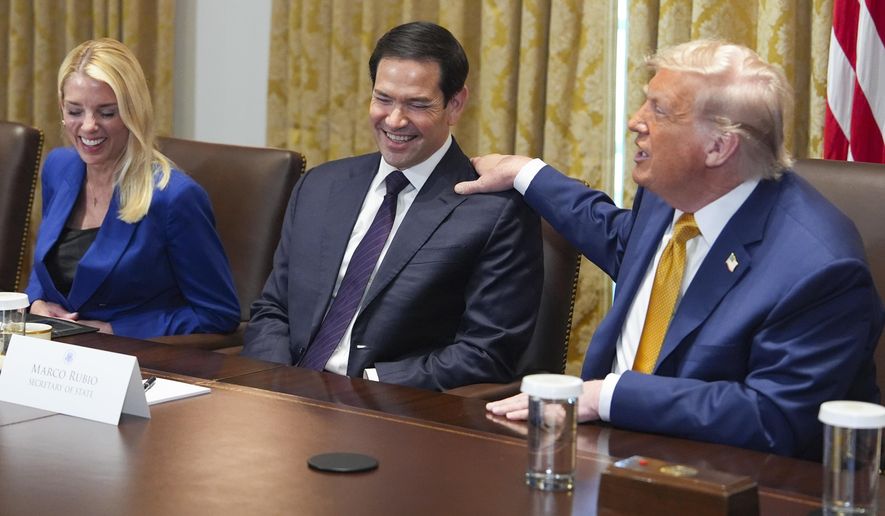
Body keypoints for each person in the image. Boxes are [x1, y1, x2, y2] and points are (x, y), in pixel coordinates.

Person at [456, 39, 882, 459]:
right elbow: (625, 243)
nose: (635, 121)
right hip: (603, 453)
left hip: (723, 474)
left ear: (718, 147)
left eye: (659, 111)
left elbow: (773, 417)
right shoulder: (670, 190)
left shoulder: (819, 269)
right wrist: (527, 173)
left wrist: (607, 397)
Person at [242, 21, 543, 391]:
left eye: (417, 104)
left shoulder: (496, 212)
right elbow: (274, 308)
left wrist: (368, 385)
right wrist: (275, 384)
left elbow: (486, 352)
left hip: (386, 403)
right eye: (383, 99)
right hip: (282, 393)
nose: (395, 120)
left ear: (455, 104)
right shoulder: (320, 186)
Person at [26, 38, 240, 338]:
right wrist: (36, 302)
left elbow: (218, 314)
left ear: (133, 112)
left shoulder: (174, 197)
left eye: (106, 113)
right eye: (75, 111)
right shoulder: (59, 166)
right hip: (59, 352)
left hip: (134, 357)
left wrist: (116, 330)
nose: (88, 126)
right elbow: (46, 267)